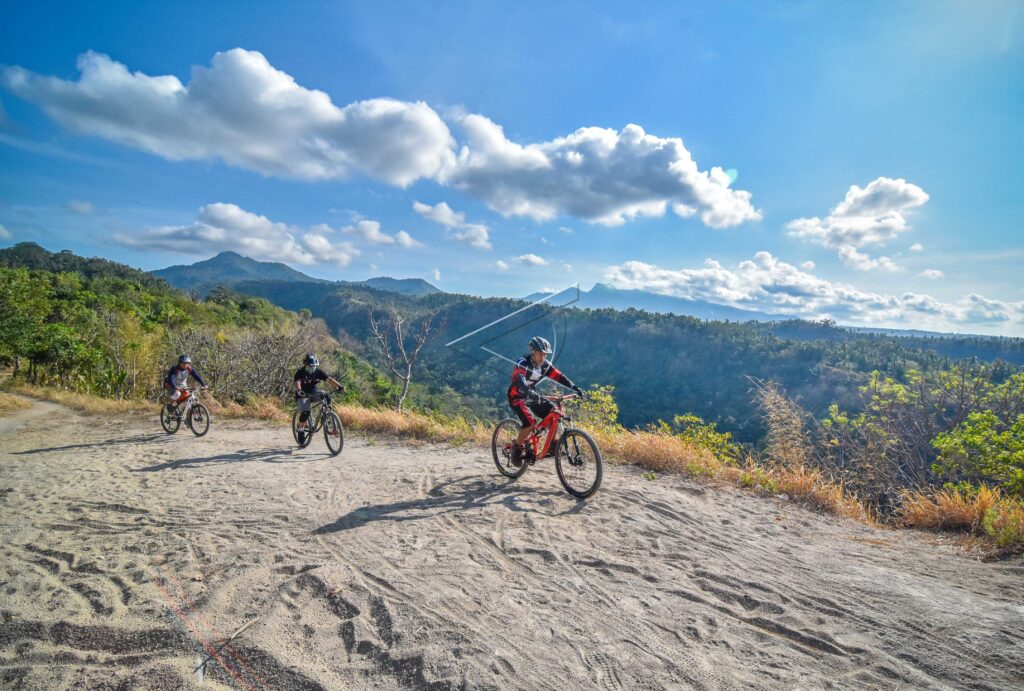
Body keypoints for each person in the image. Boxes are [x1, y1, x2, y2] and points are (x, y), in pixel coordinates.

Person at [506, 336, 583, 466]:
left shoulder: (545, 366)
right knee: (530, 423)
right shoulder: (523, 363)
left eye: (545, 354)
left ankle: (551, 445)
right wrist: (533, 394)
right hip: (516, 396)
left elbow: (559, 377)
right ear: (533, 352)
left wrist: (575, 388)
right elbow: (521, 383)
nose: (543, 357)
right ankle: (517, 447)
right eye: (540, 354)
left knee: (554, 412)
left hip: (532, 395)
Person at [294, 352, 344, 444]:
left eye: (314, 366)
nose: (313, 368)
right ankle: (300, 430)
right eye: (311, 367)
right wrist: (299, 391)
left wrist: (339, 386)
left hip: (313, 394)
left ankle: (324, 416)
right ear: (306, 365)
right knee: (305, 412)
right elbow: (297, 383)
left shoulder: (318, 372)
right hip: (302, 396)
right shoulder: (300, 373)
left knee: (327, 397)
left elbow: (329, 379)